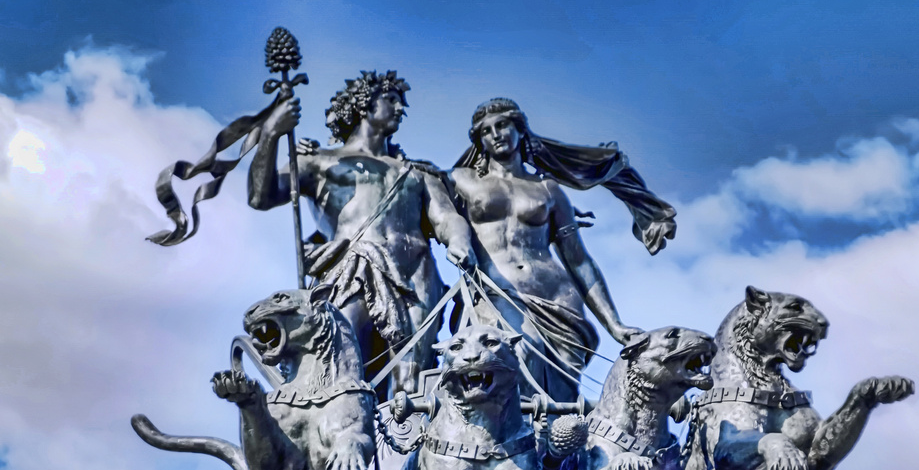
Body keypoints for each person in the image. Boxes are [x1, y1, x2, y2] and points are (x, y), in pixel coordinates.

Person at [248, 71, 474, 391]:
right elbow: (261, 196)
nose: (400, 109)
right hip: (351, 267)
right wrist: (271, 134)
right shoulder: (319, 161)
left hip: (416, 273)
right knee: (341, 368)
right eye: (392, 100)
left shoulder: (418, 172)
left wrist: (459, 241)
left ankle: (409, 437)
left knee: (411, 379)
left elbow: (446, 217)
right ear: (365, 104)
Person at [447, 98, 677, 402]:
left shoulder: (547, 188)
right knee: (517, 358)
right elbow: (432, 215)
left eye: (502, 125)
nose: (495, 134)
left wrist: (615, 325)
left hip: (558, 297)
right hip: (497, 291)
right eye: (486, 131)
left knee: (564, 397)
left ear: (520, 129)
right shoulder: (460, 180)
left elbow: (579, 260)